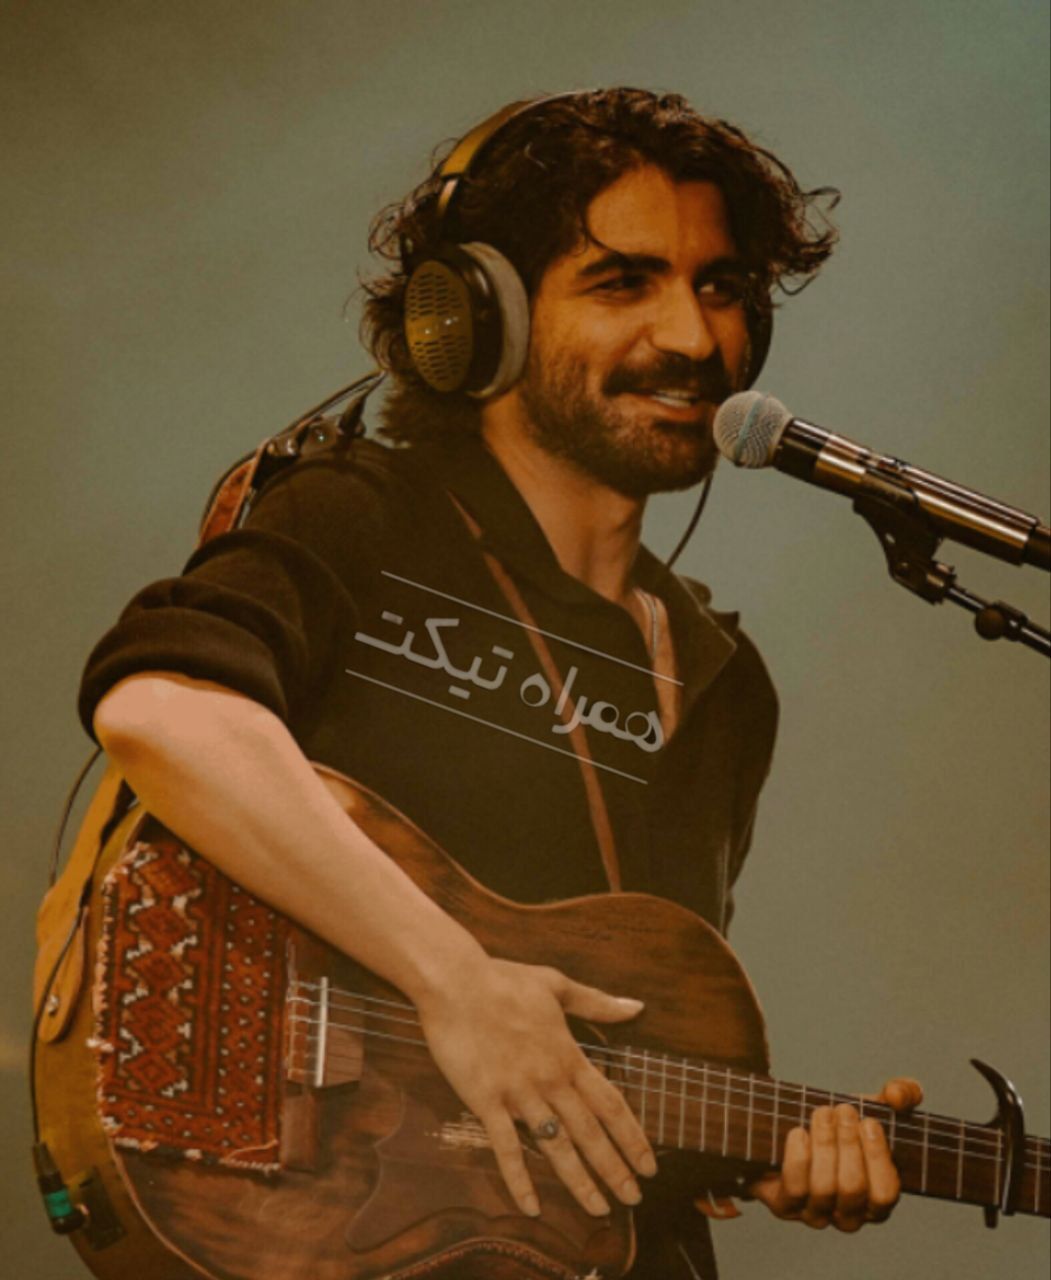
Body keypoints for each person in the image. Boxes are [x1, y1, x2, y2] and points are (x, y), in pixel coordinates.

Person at [80, 89, 921, 1278]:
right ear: (477, 320)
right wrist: (454, 980)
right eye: (622, 282)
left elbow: (605, 1043)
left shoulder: (720, 675)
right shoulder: (363, 518)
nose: (692, 337)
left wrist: (759, 1150)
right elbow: (163, 708)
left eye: (722, 286)